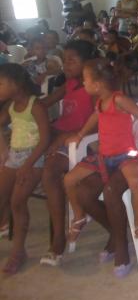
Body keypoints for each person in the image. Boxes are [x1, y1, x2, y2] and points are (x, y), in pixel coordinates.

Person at [64, 59, 138, 245]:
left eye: (85, 79)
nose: (83, 83)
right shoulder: (100, 102)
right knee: (69, 179)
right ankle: (79, 216)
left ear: (98, 85)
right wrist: (80, 134)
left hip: (125, 155)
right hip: (103, 156)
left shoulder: (119, 99)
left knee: (135, 182)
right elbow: (95, 117)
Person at [38, 41, 97, 265]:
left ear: (86, 63)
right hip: (60, 133)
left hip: (78, 142)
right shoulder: (71, 83)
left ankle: (58, 240)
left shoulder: (94, 88)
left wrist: (70, 134)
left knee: (49, 174)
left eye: (72, 60)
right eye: (65, 59)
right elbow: (46, 102)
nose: (66, 64)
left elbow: (100, 123)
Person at [0, 64, 50, 274]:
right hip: (14, 157)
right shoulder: (10, 106)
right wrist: (4, 148)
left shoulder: (34, 105)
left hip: (35, 159)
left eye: (1, 84)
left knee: (17, 201)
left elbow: (46, 138)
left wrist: (28, 164)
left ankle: (18, 251)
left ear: (16, 84)